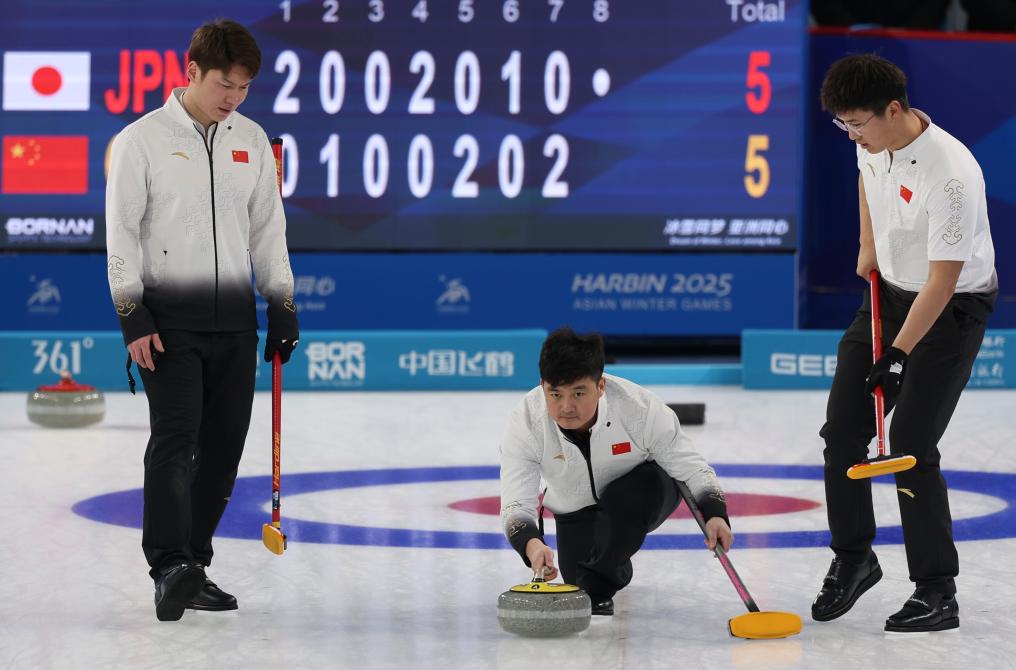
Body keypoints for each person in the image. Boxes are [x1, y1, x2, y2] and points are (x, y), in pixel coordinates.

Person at [105, 19, 299, 621]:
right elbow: (121, 233)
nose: (233, 97)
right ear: (191, 71)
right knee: (176, 439)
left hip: (235, 324)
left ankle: (193, 563)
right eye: (224, 84)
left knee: (222, 451)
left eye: (244, 87)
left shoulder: (253, 140)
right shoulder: (141, 141)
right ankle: (168, 565)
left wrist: (282, 302)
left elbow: (268, 230)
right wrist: (131, 313)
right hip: (167, 325)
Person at [814, 53, 997, 632]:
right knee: (843, 432)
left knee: (912, 445)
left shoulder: (951, 173)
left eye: (857, 124)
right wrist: (868, 246)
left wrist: (897, 356)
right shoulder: (870, 142)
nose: (851, 136)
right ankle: (854, 558)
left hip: (951, 308)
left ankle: (937, 590)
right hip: (888, 294)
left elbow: (943, 280)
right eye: (842, 125)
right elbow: (867, 179)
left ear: (893, 110)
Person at [499, 327, 731, 615]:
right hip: (575, 507)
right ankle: (615, 559)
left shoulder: (640, 408)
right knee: (578, 580)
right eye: (555, 394)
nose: (566, 407)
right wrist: (532, 545)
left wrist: (715, 514)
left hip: (644, 492)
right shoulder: (525, 422)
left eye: (578, 393)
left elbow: (693, 468)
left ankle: (608, 564)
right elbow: (515, 504)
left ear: (601, 386)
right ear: (542, 385)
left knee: (596, 581)